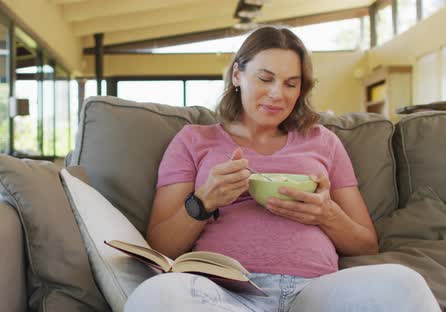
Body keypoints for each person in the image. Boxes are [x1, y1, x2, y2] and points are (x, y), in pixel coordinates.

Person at [124, 26, 440, 312]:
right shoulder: (193, 140)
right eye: (265, 78)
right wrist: (204, 201)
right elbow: (161, 245)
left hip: (315, 292)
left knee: (406, 284)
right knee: (155, 296)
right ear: (237, 75)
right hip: (224, 291)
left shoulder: (323, 141)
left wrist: (326, 214)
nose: (278, 94)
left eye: (291, 84)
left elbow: (366, 244)